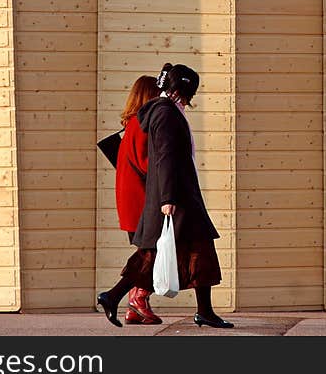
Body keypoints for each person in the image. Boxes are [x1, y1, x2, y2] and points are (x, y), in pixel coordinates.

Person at [97, 63, 234, 329]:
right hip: (177, 198)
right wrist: (168, 199)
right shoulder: (165, 114)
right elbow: (166, 158)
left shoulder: (158, 112)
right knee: (175, 252)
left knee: (188, 251)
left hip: (175, 196)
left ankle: (115, 296)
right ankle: (115, 295)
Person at [113, 74, 162, 325]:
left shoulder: (130, 124)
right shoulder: (142, 126)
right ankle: (138, 297)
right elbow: (147, 164)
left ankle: (134, 305)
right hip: (143, 203)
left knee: (149, 252)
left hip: (131, 202)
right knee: (154, 253)